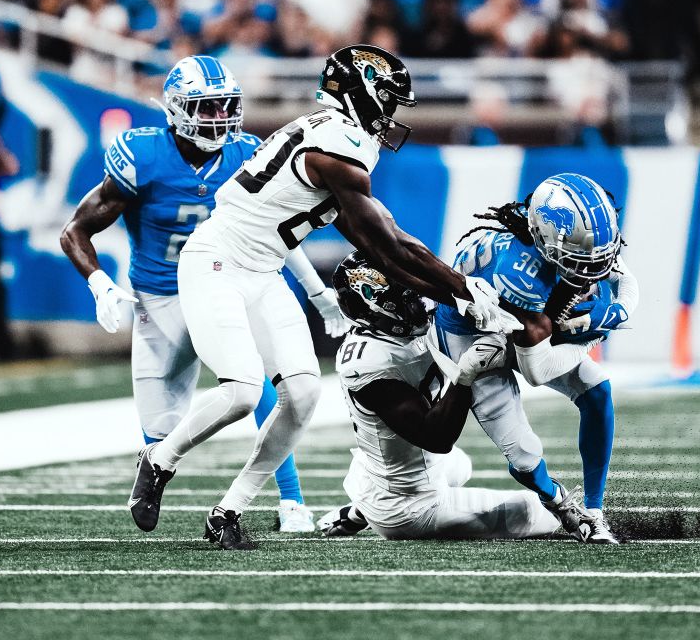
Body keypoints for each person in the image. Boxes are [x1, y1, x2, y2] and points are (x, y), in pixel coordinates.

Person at [137, 44, 521, 550]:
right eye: (384, 96)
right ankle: (160, 459)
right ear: (359, 91)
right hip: (216, 263)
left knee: (303, 392)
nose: (389, 110)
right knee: (242, 390)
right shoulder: (337, 147)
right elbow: (388, 244)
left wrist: (456, 295)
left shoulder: (335, 135)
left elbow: (382, 248)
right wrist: (459, 287)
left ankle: (228, 511)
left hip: (263, 268)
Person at [60, 56, 349, 533]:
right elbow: (76, 230)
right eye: (205, 107)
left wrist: (317, 291)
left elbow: (278, 232)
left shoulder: (247, 154)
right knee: (161, 422)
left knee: (264, 383)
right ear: (175, 109)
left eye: (224, 106)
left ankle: (291, 500)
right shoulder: (143, 155)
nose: (218, 118)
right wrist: (99, 283)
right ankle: (155, 466)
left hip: (232, 275)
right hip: (163, 295)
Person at [430, 173, 639, 543]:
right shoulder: (520, 273)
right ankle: (559, 502)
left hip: (521, 324)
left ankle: (594, 509)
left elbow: (623, 280)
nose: (593, 268)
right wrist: (592, 332)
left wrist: (609, 312)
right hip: (473, 338)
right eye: (581, 259)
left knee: (597, 389)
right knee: (525, 456)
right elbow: (537, 371)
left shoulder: (568, 239)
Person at [317, 252, 561, 540]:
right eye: (407, 301)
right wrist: (465, 376)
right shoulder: (367, 362)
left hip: (380, 470)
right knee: (536, 513)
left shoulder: (399, 330)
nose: (421, 307)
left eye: (417, 296)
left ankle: (359, 510)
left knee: (461, 465)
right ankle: (373, 510)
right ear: (373, 306)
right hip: (409, 505)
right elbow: (437, 437)